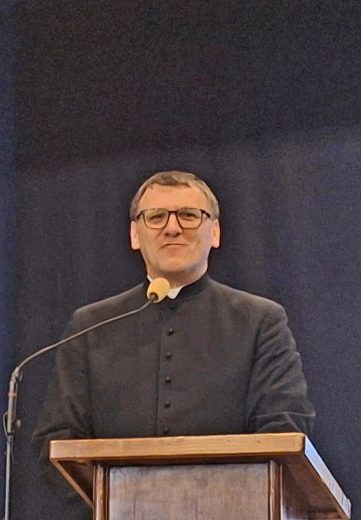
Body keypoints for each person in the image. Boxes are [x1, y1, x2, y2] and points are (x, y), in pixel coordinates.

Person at [32, 170, 314, 468]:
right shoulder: (90, 327)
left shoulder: (260, 321)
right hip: (111, 500)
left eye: (189, 215)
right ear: (134, 235)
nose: (172, 228)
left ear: (215, 233)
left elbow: (284, 431)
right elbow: (58, 440)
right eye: (156, 217)